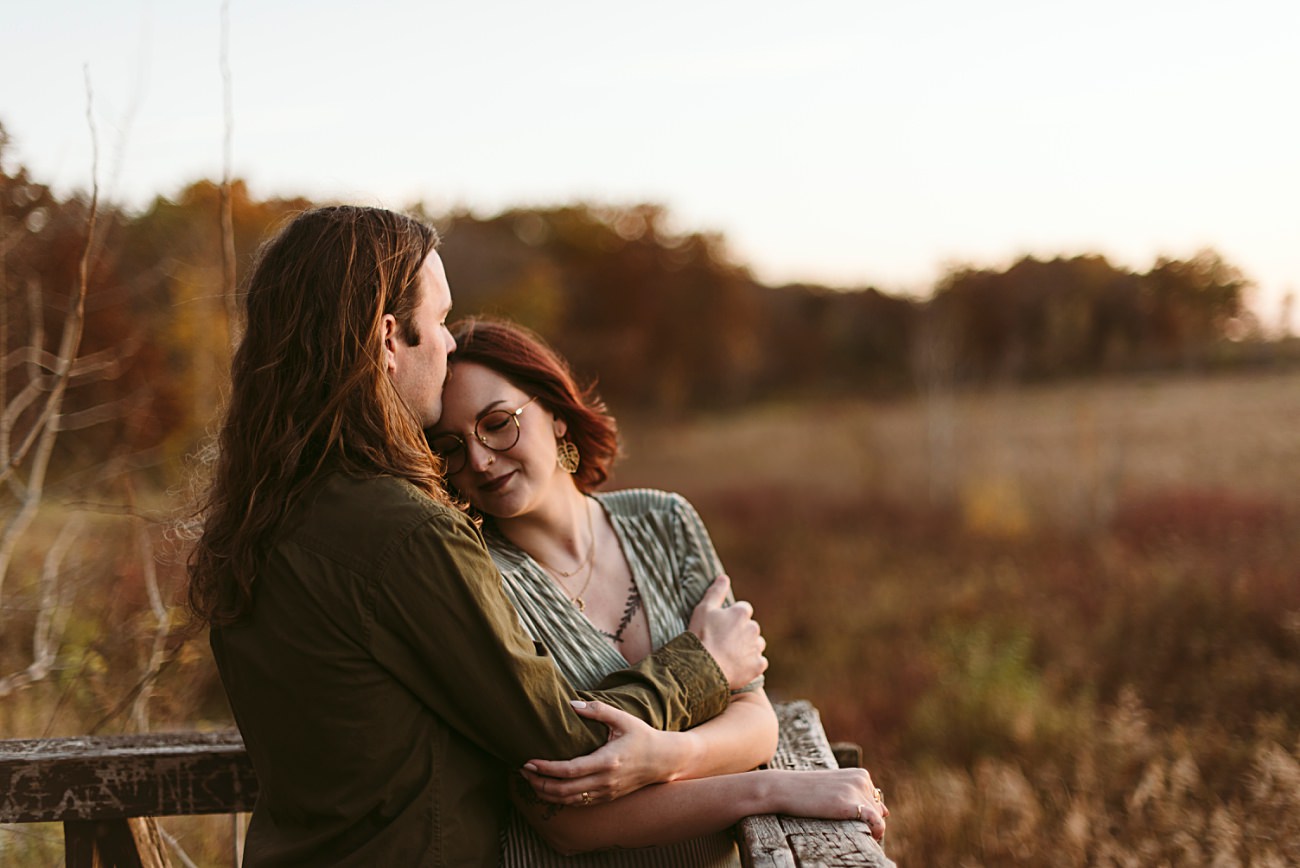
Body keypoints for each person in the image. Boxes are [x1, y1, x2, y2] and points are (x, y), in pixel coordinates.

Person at [185, 206, 770, 868]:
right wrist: (706, 666)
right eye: (437, 321)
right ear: (386, 340)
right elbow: (567, 747)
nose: (449, 344)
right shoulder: (405, 532)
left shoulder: (269, 512)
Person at [426, 317, 889, 865]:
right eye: (450, 446)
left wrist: (665, 756)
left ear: (554, 413)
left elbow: (756, 719)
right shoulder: (475, 577)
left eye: (498, 423)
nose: (478, 459)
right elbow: (566, 819)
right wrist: (769, 788)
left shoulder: (664, 520)